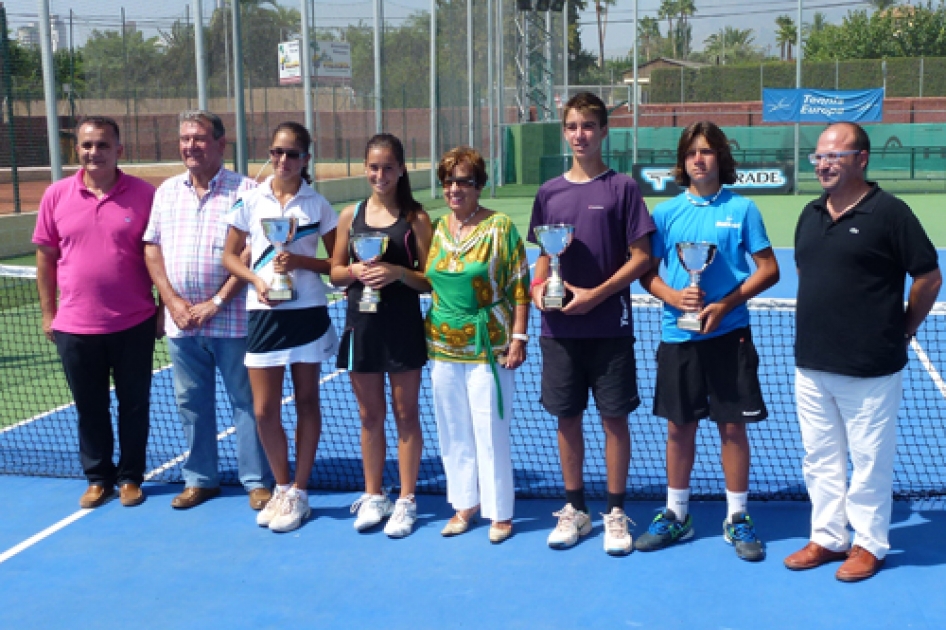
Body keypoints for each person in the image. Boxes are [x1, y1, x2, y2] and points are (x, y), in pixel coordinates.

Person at [786, 121, 941, 581]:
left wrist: (904, 329)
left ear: (861, 159)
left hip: (871, 369)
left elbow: (929, 277)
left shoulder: (891, 213)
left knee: (870, 460)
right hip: (811, 366)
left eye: (835, 155)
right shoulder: (809, 214)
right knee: (820, 458)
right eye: (819, 156)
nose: (824, 163)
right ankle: (828, 537)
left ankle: (869, 544)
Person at [635, 121, 779, 561]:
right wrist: (675, 297)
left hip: (729, 333)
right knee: (679, 428)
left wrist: (725, 303)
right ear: (683, 161)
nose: (700, 159)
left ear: (721, 158)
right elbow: (646, 273)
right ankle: (676, 513)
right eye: (692, 152)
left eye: (708, 152)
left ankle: (737, 517)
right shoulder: (664, 214)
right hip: (677, 335)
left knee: (732, 427)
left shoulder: (744, 209)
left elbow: (768, 269)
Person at [529, 91, 655, 556]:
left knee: (614, 420)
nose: (579, 134)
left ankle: (616, 513)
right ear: (564, 132)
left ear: (604, 132)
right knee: (567, 419)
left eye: (588, 125)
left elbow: (642, 258)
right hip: (559, 332)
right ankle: (575, 510)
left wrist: (595, 297)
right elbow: (543, 256)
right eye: (572, 126)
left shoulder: (622, 188)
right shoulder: (549, 193)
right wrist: (539, 290)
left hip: (610, 327)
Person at [144, 110, 273, 512]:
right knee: (191, 402)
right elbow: (152, 247)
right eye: (185, 139)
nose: (190, 146)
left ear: (220, 143)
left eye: (199, 139)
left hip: (233, 320)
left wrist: (216, 301)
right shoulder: (166, 191)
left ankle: (256, 480)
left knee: (247, 402)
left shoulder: (248, 191)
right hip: (181, 324)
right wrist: (173, 302)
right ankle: (200, 479)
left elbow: (253, 252)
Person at [33, 116, 159, 509]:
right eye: (87, 145)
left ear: (119, 150)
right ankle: (98, 477)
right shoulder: (56, 195)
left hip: (134, 322)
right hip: (74, 326)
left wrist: (160, 308)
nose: (94, 152)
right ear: (78, 150)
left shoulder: (144, 194)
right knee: (90, 407)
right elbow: (46, 258)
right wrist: (48, 312)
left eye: (103, 145)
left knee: (134, 405)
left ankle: (130, 478)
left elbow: (158, 255)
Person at [223, 121, 339, 533]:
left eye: (292, 153)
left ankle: (299, 493)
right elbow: (230, 257)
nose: (283, 160)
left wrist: (302, 263)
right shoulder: (250, 201)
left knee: (308, 402)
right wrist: (256, 281)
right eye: (276, 152)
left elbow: (336, 265)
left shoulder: (318, 206)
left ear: (306, 159)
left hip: (306, 311)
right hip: (263, 313)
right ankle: (281, 485)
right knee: (263, 410)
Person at [329, 134, 433, 538]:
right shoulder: (348, 216)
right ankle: (375, 494)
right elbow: (335, 271)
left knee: (407, 415)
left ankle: (406, 499)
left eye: (388, 167)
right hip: (362, 327)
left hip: (402, 327)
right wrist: (355, 271)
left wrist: (398, 273)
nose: (380, 174)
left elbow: (430, 280)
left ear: (402, 169)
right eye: (373, 167)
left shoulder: (417, 218)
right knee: (370, 416)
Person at [425, 146, 530, 544]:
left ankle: (499, 513)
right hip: (441, 348)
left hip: (491, 348)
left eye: (464, 181)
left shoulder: (501, 227)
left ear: (479, 185)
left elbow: (520, 285)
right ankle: (463, 504)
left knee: (490, 431)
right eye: (449, 181)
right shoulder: (435, 229)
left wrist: (518, 338)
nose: (455, 188)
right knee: (452, 431)